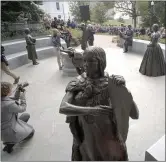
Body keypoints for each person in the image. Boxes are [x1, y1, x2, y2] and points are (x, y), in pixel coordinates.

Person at [59, 46, 139, 161]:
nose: (85, 64)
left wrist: (123, 90)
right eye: (84, 60)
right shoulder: (77, 82)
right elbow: (63, 107)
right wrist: (92, 110)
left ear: (101, 62)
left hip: (109, 135)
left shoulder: (112, 83)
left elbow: (135, 114)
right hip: (88, 136)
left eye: (91, 61)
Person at [1, 82, 35, 153]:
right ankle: (11, 143)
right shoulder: (8, 105)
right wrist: (23, 98)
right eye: (11, 89)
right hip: (9, 131)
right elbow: (22, 108)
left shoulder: (2, 98)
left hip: (4, 128)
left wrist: (18, 90)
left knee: (26, 116)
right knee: (31, 132)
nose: (12, 90)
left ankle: (10, 141)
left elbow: (13, 98)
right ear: (7, 92)